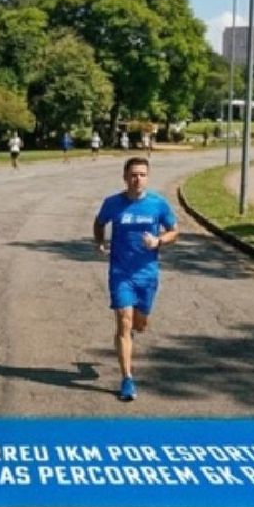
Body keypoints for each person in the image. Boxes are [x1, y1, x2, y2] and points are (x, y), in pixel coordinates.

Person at [93, 157, 180, 402]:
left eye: (142, 174)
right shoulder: (113, 203)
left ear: (147, 177)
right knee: (124, 321)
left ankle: (135, 329)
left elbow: (175, 230)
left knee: (139, 324)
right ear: (125, 177)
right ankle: (127, 378)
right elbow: (99, 223)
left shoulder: (157, 204)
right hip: (120, 273)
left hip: (147, 275)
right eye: (133, 174)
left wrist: (159, 240)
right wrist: (99, 241)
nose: (137, 179)